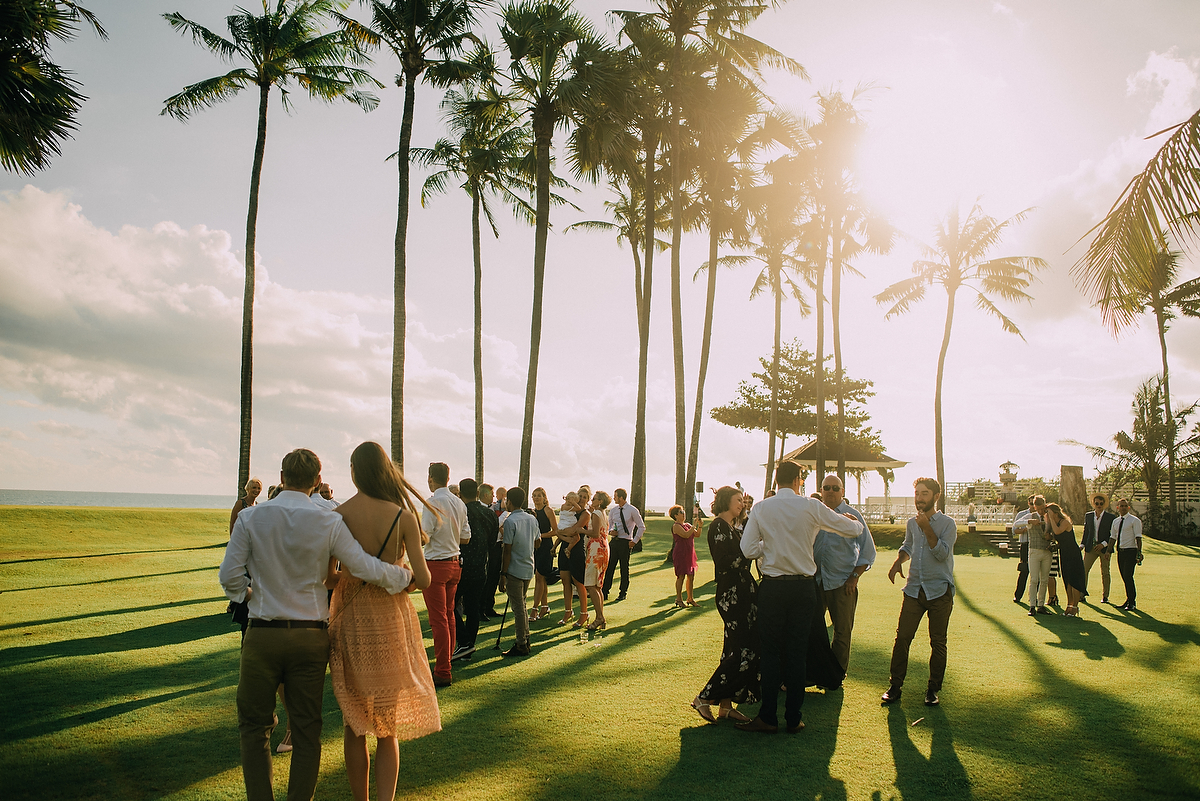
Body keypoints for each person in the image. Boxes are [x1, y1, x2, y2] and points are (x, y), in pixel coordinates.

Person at [218, 448, 413, 801]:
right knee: (307, 732)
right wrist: (404, 577)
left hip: (262, 633)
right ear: (317, 481)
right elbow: (363, 567)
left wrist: (253, 596)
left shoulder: (251, 518)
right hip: (310, 636)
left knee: (253, 728)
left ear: (281, 477)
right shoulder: (328, 520)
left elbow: (230, 577)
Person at [325, 442, 440, 801]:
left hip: (350, 617)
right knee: (386, 725)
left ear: (354, 471)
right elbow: (423, 580)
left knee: (353, 722)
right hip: (390, 617)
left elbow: (327, 577)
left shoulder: (338, 515)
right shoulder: (402, 516)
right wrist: (393, 574)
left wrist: (356, 578)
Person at [736, 460, 864, 734]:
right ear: (798, 480)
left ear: (777, 481)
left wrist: (769, 544)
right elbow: (853, 530)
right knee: (796, 652)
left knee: (771, 652)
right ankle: (793, 718)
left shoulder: (761, 507)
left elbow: (747, 550)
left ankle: (768, 716)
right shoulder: (810, 506)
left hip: (773, 588)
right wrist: (853, 523)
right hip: (803, 588)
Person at [881, 477, 957, 708]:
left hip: (939, 592)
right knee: (903, 637)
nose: (919, 498)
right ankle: (895, 686)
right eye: (917, 494)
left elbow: (942, 554)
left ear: (936, 497)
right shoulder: (912, 523)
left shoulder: (947, 524)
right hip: (914, 589)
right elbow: (908, 546)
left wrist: (926, 526)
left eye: (924, 494)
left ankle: (933, 689)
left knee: (938, 641)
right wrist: (898, 561)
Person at [691, 486, 756, 725]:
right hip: (731, 593)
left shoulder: (731, 526)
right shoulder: (718, 526)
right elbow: (724, 561)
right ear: (726, 501)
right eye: (738, 500)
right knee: (741, 650)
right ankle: (704, 697)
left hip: (741, 591)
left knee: (732, 648)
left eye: (744, 501)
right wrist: (750, 553)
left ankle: (726, 707)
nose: (742, 504)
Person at [812, 474, 876, 674]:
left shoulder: (852, 516)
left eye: (835, 488)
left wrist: (854, 577)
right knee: (813, 630)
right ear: (821, 491)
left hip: (842, 584)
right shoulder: (814, 514)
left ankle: (836, 674)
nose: (830, 491)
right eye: (826, 488)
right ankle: (812, 672)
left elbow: (868, 551)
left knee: (841, 632)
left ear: (843, 492)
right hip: (815, 581)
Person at [421, 462, 469, 687]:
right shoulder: (458, 503)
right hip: (454, 563)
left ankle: (442, 670)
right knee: (448, 615)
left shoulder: (432, 502)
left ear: (431, 478)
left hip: (437, 564)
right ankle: (445, 662)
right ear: (448, 479)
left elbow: (425, 536)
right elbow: (466, 537)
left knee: (438, 619)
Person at [453, 478, 495, 663]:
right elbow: (493, 540)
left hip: (462, 565)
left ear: (460, 494)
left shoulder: (460, 512)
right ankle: (468, 646)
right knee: (473, 608)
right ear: (478, 493)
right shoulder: (489, 514)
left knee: (450, 604)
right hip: (481, 566)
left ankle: (464, 641)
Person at [498, 486, 540, 656]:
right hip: (528, 566)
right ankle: (525, 638)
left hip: (514, 569)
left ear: (510, 501)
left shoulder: (510, 521)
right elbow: (538, 543)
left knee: (519, 607)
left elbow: (507, 550)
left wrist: (502, 574)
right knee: (521, 604)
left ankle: (521, 643)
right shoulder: (532, 519)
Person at [1045, 503, 1087, 617]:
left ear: (1056, 512)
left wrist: (1051, 519)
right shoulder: (1054, 523)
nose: (1048, 514)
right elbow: (1052, 536)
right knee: (1067, 581)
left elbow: (1058, 532)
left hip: (1073, 554)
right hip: (1064, 553)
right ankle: (1069, 605)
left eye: (1049, 512)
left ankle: (1075, 607)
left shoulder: (1065, 522)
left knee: (1074, 581)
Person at [604, 488, 644, 601]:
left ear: (621, 497)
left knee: (624, 568)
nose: (614, 498)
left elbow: (641, 526)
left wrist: (635, 541)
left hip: (625, 542)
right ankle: (605, 591)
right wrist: (611, 531)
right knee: (610, 567)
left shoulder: (632, 510)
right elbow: (609, 525)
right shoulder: (613, 510)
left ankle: (622, 592)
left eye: (615, 496)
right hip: (614, 541)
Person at [583, 491, 612, 630]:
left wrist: (580, 530)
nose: (592, 500)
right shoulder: (602, 513)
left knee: (590, 584)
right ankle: (601, 617)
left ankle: (599, 617)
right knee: (597, 585)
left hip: (596, 550)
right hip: (603, 547)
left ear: (600, 501)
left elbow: (594, 533)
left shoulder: (595, 514)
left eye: (594, 499)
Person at [530, 487, 559, 621]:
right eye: (534, 495)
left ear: (544, 497)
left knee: (540, 576)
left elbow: (555, 531)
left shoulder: (548, 511)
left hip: (546, 546)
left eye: (539, 496)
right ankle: (544, 606)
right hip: (535, 547)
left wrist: (539, 536)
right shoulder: (532, 512)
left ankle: (534, 609)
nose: (536, 498)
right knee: (540, 578)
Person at [1082, 493, 1116, 603]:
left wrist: (1104, 544)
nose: (1099, 505)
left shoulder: (1110, 517)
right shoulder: (1089, 516)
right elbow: (1086, 531)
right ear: (1093, 504)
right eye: (1097, 503)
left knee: (1105, 572)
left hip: (1104, 548)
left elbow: (1113, 534)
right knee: (1084, 570)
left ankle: (1105, 596)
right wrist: (1082, 545)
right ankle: (1082, 593)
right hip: (1091, 547)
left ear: (1104, 504)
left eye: (1101, 503)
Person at [555, 492, 583, 624]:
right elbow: (561, 530)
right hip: (564, 546)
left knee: (578, 582)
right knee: (565, 580)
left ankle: (583, 613)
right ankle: (568, 611)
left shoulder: (585, 514)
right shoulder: (567, 509)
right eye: (579, 496)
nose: (581, 499)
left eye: (584, 497)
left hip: (577, 550)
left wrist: (561, 532)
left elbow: (574, 531)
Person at [1112, 498, 1143, 611]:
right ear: (1118, 507)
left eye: (1125, 506)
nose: (1123, 507)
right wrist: (1108, 550)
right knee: (1124, 576)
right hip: (1121, 551)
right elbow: (1112, 537)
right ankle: (1128, 599)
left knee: (1128, 576)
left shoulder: (1134, 521)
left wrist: (1139, 553)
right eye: (1121, 506)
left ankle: (1132, 602)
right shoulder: (1116, 521)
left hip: (1131, 551)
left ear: (1128, 507)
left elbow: (1138, 538)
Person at [1023, 495, 1053, 615]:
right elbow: (1016, 524)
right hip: (1034, 550)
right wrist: (1029, 521)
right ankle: (1032, 605)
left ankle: (1041, 605)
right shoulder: (1031, 516)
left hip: (1046, 551)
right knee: (1034, 579)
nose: (1040, 511)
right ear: (1034, 507)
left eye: (1042, 508)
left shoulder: (1049, 517)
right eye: (1038, 509)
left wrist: (1051, 537)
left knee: (1044, 579)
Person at [479, 483, 503, 619]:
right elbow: (496, 524)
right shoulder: (479, 510)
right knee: (486, 579)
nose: (494, 498)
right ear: (486, 495)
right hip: (485, 547)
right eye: (492, 495)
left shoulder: (493, 508)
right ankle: (481, 608)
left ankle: (489, 606)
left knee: (494, 577)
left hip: (496, 546)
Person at [670, 505, 701, 608]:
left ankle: (690, 598)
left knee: (691, 576)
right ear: (676, 515)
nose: (683, 513)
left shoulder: (687, 525)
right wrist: (694, 525)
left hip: (689, 553)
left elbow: (697, 535)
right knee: (681, 576)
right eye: (681, 512)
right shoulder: (676, 526)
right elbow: (686, 535)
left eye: (683, 511)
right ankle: (679, 599)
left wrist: (699, 526)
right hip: (680, 553)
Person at [1012, 495, 1035, 603]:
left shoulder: (1041, 515)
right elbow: (1014, 530)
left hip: (1037, 545)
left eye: (1034, 504)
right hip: (1025, 544)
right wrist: (1024, 529)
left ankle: (1034, 598)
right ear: (1028, 503)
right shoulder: (1022, 514)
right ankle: (1018, 595)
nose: (1033, 506)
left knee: (1037, 573)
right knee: (1024, 571)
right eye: (1031, 503)